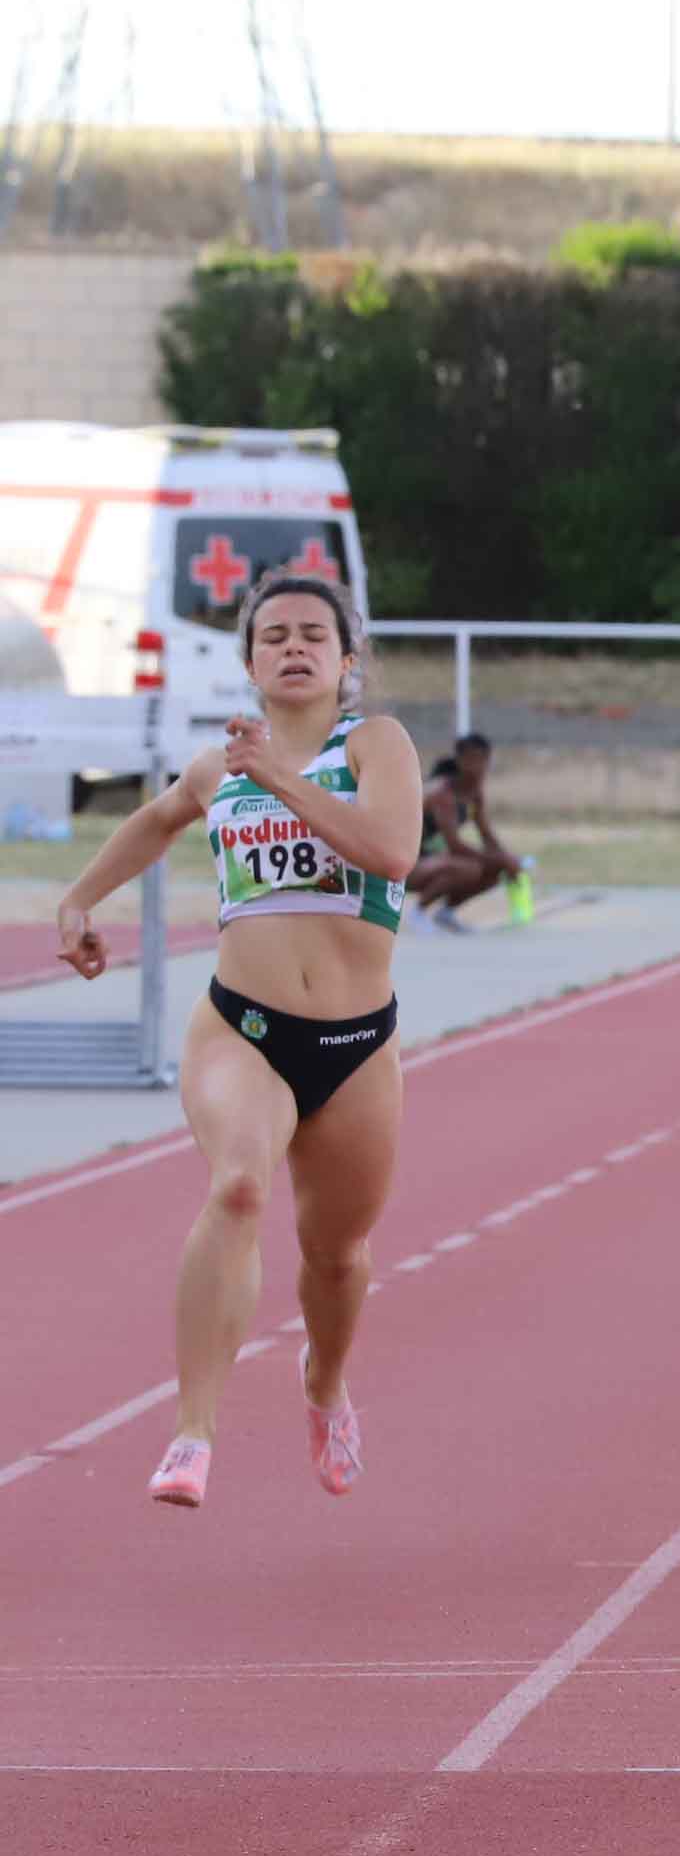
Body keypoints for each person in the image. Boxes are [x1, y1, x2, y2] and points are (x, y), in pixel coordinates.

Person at [48, 570, 419, 1507]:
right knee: (241, 1184)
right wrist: (80, 898)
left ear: (346, 659)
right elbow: (159, 817)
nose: (293, 648)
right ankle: (192, 1436)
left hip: (356, 1046)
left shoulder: (375, 744)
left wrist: (279, 776)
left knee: (336, 1253)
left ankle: (324, 1384)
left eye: (311, 635)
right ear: (250, 662)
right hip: (241, 1028)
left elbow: (390, 851)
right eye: (273, 636)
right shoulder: (221, 768)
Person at [404, 732, 522, 932]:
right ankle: (418, 913)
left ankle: (446, 913)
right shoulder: (442, 794)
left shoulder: (475, 795)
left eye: (482, 760)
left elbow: (487, 836)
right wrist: (496, 858)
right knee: (468, 867)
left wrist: (507, 859)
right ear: (459, 760)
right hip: (405, 864)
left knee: (494, 871)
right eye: (471, 760)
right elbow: (455, 845)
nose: (477, 767)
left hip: (431, 860)